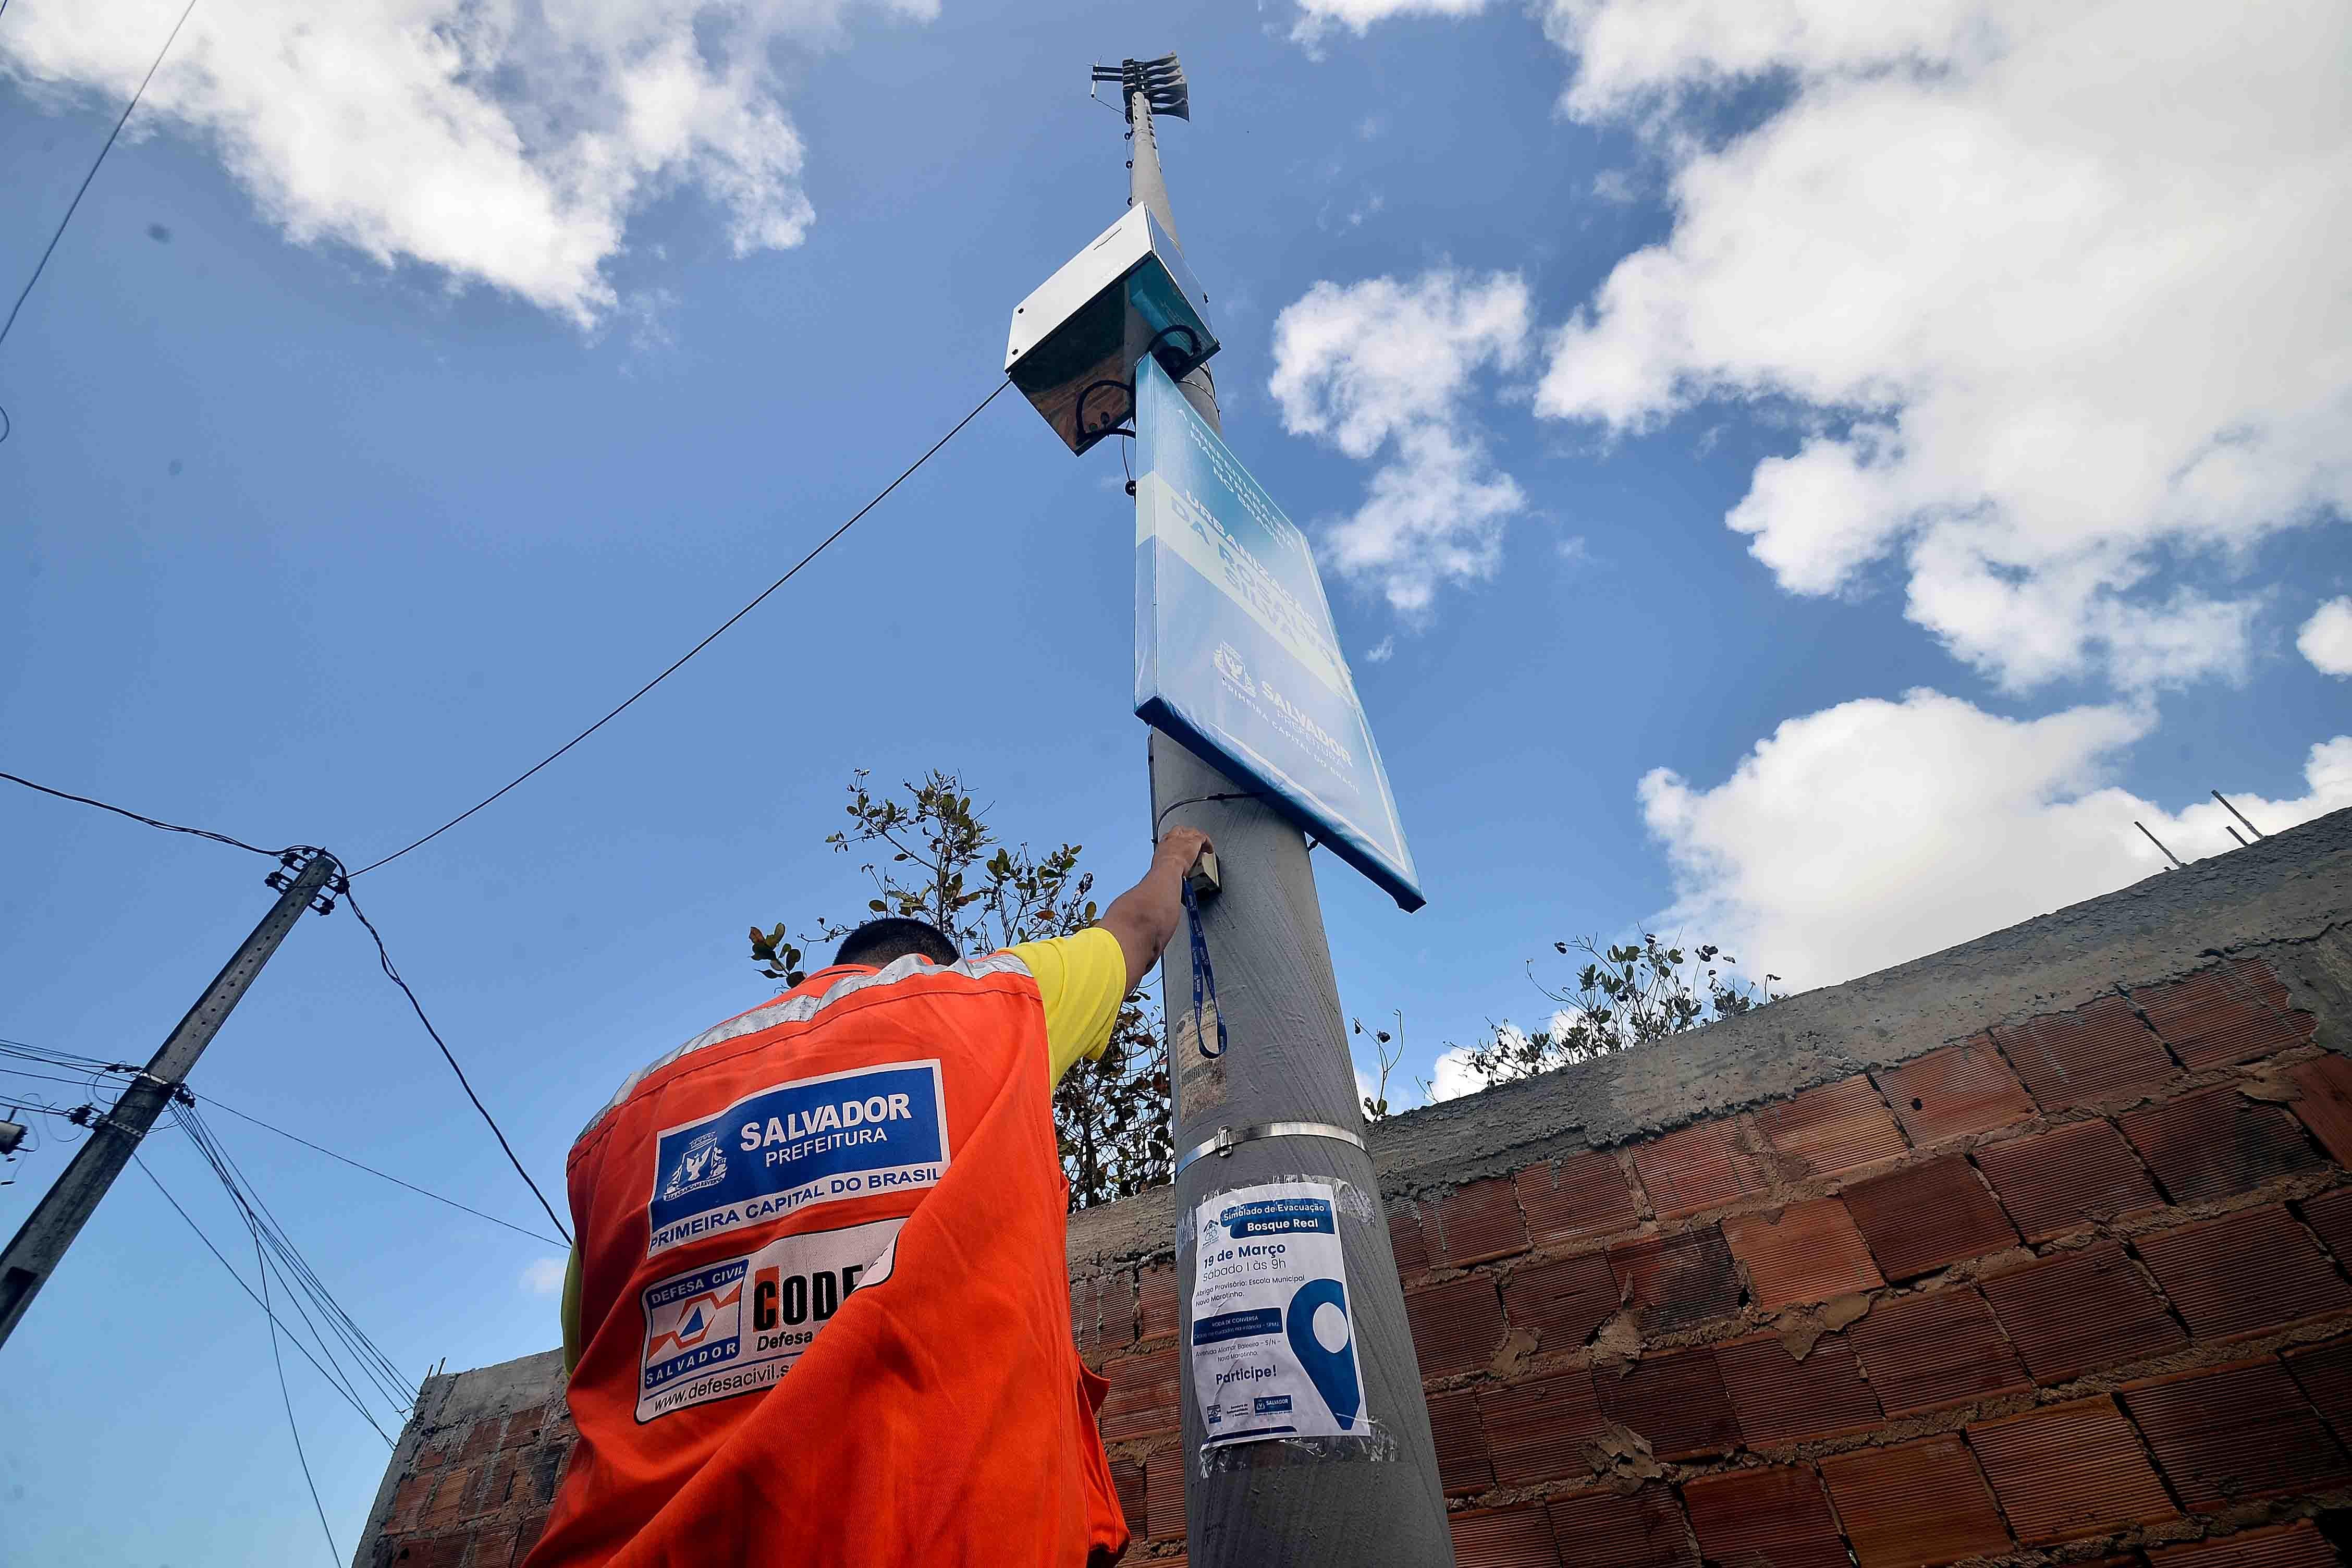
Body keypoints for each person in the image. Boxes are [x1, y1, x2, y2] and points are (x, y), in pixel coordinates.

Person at [524, 826, 1214, 1568]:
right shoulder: (1000, 1003)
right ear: (935, 966)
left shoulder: (631, 1119)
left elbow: (594, 1370)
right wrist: (1175, 856)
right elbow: (1138, 929)